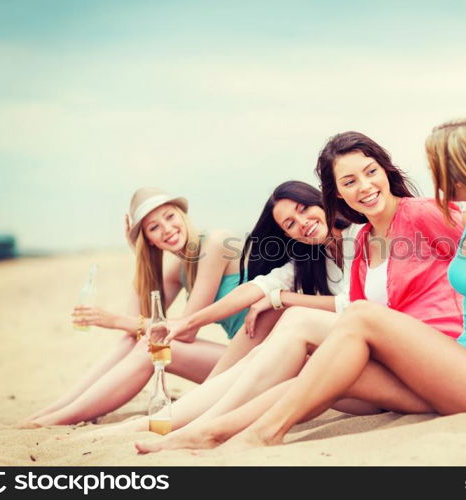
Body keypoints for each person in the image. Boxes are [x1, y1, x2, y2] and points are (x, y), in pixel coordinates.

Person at [195, 118, 466, 451]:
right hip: (457, 364)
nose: (438, 178)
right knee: (320, 376)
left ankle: (267, 434)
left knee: (358, 317)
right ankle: (210, 431)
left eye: (444, 167)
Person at [133, 131, 465, 453]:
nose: (363, 187)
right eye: (349, 182)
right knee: (301, 374)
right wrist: (185, 324)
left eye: (370, 172)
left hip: (440, 360)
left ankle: (198, 424)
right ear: (336, 192)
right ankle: (197, 427)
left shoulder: (411, 216)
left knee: (297, 322)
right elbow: (258, 288)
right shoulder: (365, 240)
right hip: (398, 367)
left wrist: (283, 299)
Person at [76, 179, 364, 437]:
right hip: (269, 355)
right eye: (289, 223)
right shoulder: (308, 257)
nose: (302, 222)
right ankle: (61, 414)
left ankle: (186, 420)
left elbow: (354, 304)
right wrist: (138, 255)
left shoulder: (358, 236)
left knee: (280, 335)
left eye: (304, 209)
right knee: (147, 347)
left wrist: (282, 299)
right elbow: (260, 286)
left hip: (309, 354)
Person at [18, 187, 247, 427]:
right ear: (149, 240)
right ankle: (57, 409)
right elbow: (135, 326)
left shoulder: (215, 243)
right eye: (154, 227)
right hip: (236, 360)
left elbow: (186, 330)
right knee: (136, 340)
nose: (167, 229)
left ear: (182, 215)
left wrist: (113, 320)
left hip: (262, 360)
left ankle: (62, 417)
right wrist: (139, 255)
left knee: (151, 348)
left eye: (169, 216)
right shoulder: (179, 266)